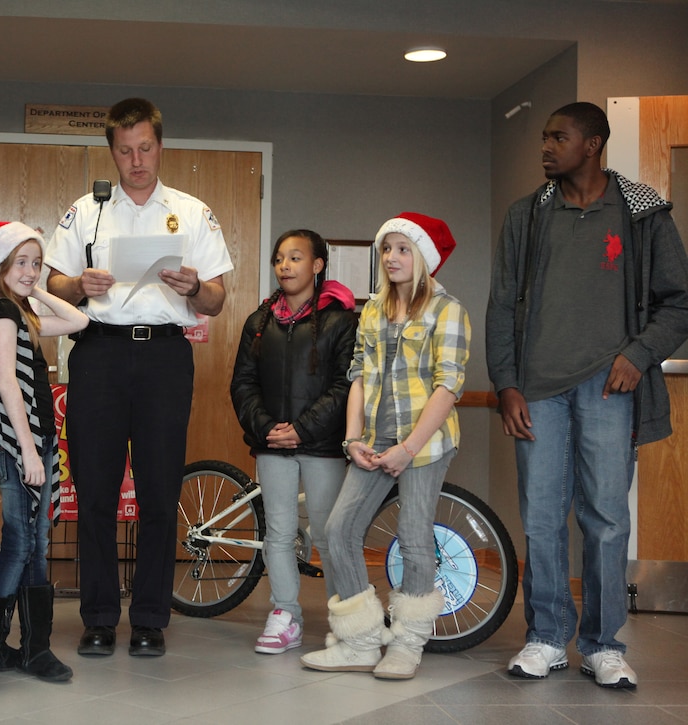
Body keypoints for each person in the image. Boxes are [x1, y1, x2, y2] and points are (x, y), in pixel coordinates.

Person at [486, 102, 688, 689]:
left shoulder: (643, 213)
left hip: (609, 388)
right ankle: (547, 637)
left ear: (593, 143)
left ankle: (603, 645)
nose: (546, 147)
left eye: (559, 137)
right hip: (537, 392)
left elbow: (679, 300)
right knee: (542, 517)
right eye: (545, 137)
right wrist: (506, 384)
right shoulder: (527, 216)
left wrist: (638, 354)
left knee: (605, 519)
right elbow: (502, 306)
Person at [45, 97, 233, 657]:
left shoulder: (193, 212)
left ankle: (150, 618)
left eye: (145, 148)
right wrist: (80, 285)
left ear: (160, 146)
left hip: (164, 360)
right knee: (95, 491)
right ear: (112, 152)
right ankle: (99, 617)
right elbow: (51, 285)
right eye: (125, 151)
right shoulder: (86, 211)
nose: (136, 160)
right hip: (98, 355)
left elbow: (220, 300)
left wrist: (195, 288)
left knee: (158, 491)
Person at [300, 213, 470, 681]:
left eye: (402, 249)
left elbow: (448, 387)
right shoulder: (372, 309)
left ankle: (409, 643)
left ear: (423, 258)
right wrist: (353, 439)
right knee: (337, 531)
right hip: (374, 441)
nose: (392, 258)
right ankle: (359, 641)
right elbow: (357, 374)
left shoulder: (446, 309)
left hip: (425, 444)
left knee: (415, 539)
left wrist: (409, 449)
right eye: (387, 249)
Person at [0, 221, 89, 682]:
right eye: (21, 262)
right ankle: (0, 648)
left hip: (34, 438)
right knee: (21, 546)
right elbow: (9, 385)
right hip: (20, 440)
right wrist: (30, 453)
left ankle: (15, 650)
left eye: (36, 262)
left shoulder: (18, 312)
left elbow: (79, 321)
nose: (31, 270)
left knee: (36, 544)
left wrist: (36, 290)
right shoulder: (0, 311)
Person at [230, 229, 357, 654]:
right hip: (272, 444)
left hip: (321, 445)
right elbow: (243, 383)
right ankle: (285, 614)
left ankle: (346, 620)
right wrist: (266, 426)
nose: (285, 266)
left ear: (318, 265)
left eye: (296, 258)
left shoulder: (342, 318)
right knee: (280, 533)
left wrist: (303, 428)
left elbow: (345, 386)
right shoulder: (260, 320)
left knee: (328, 532)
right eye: (280, 259)